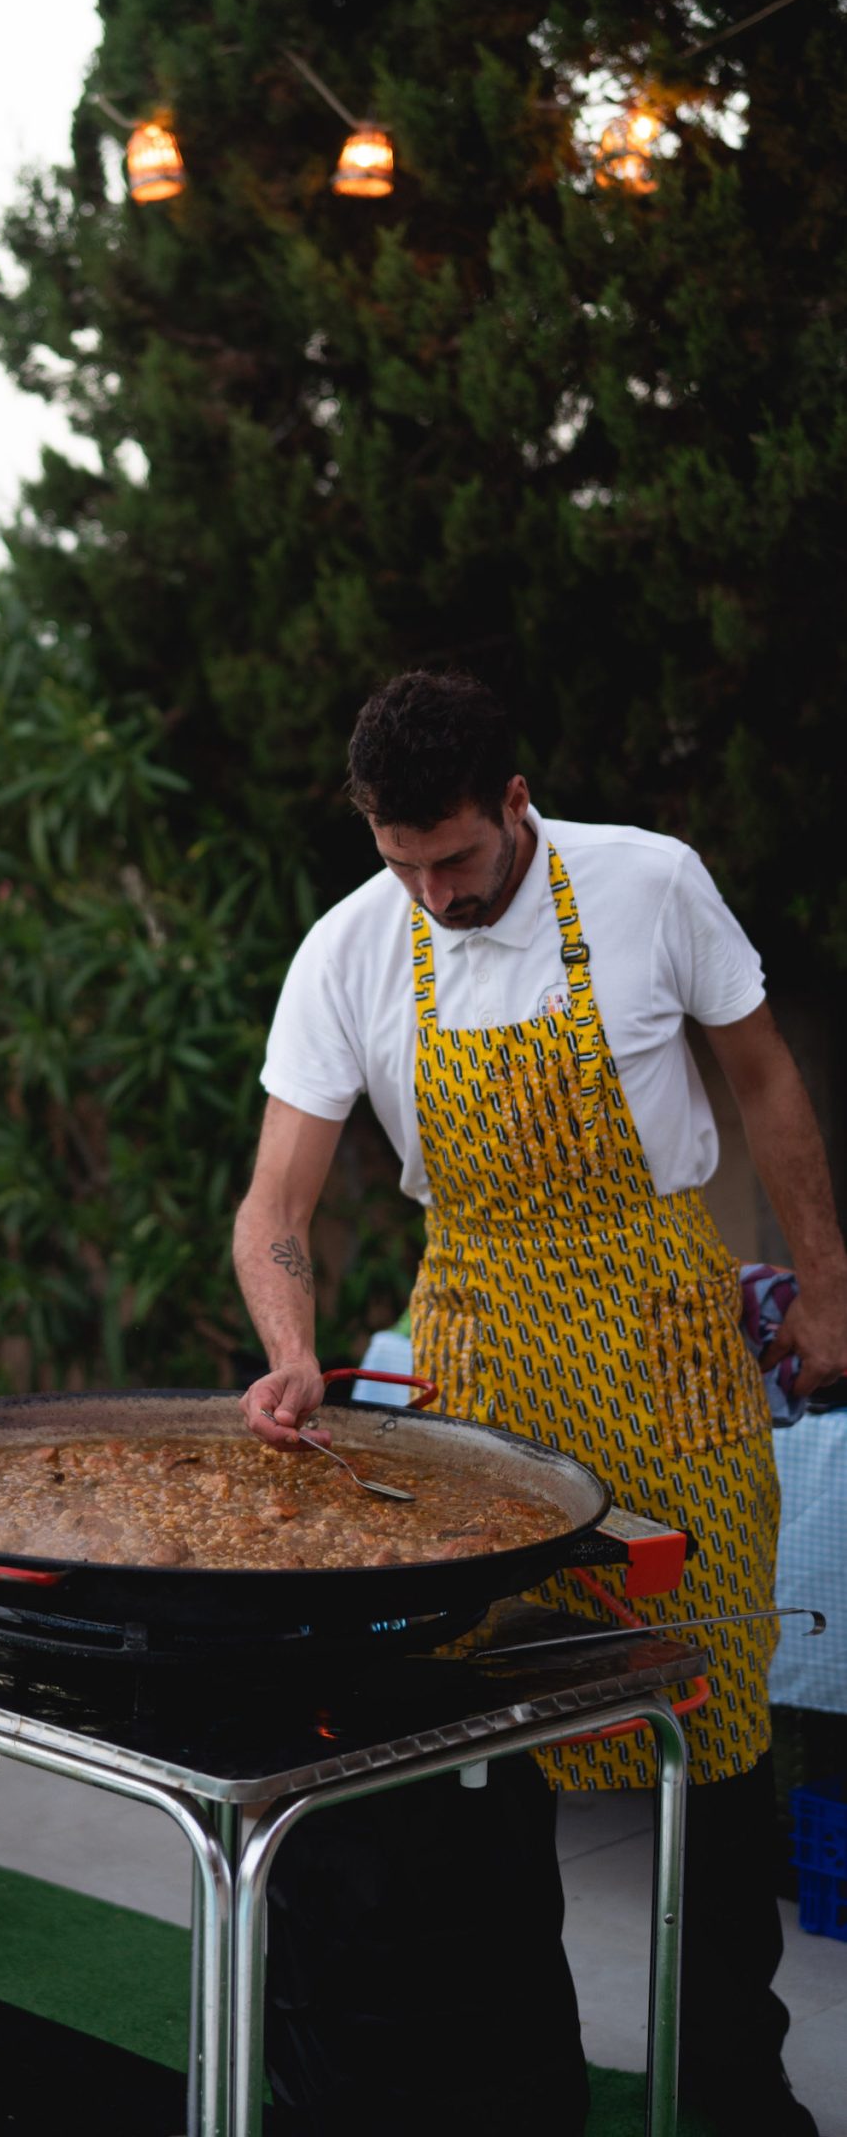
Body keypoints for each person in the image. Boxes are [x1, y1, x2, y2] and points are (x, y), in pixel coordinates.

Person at [233, 670, 847, 2137]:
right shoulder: (345, 953)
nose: (429, 891)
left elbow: (761, 1083)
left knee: (716, 1706)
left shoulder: (647, 884)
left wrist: (821, 1285)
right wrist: (290, 1345)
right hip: (480, 1350)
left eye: (449, 856)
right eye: (398, 862)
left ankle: (727, 2091)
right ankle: (514, 2086)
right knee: (481, 1725)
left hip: (668, 1326)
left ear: (513, 804)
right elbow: (275, 1201)